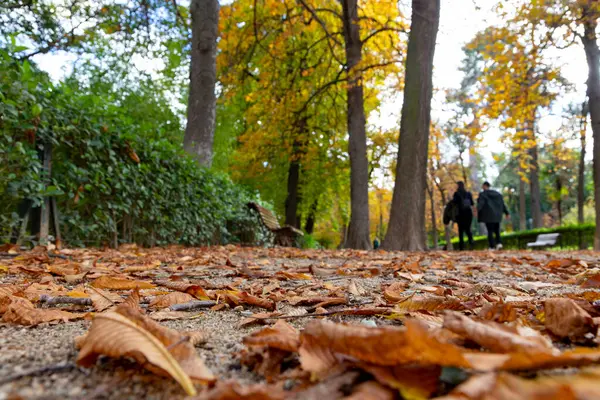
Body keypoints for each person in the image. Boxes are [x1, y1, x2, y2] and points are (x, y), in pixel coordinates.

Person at [477, 181, 510, 250]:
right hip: (497, 216)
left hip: (488, 216)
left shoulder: (483, 194)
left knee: (490, 231)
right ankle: (499, 243)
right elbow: (502, 204)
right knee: (497, 230)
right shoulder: (497, 194)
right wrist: (506, 213)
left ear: (484, 186)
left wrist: (477, 210)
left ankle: (492, 246)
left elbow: (481, 203)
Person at [452, 181, 474, 250]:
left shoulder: (456, 194)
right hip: (468, 213)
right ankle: (471, 243)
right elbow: (472, 203)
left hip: (460, 214)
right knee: (468, 229)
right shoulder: (468, 193)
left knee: (460, 230)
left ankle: (461, 247)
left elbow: (454, 203)